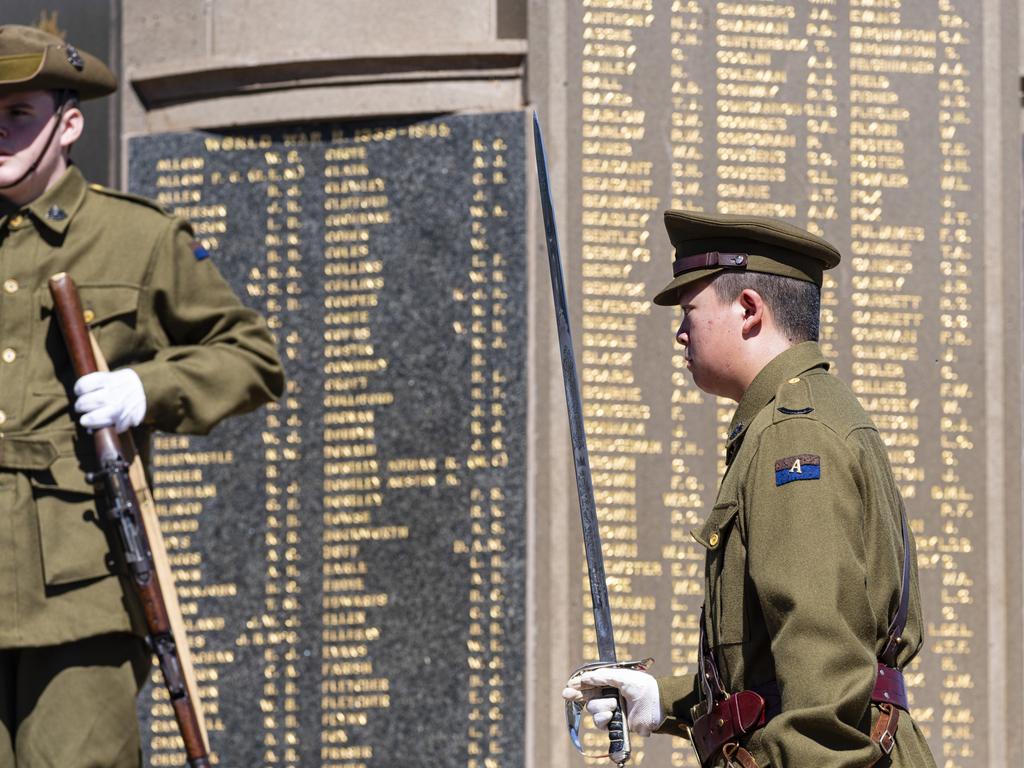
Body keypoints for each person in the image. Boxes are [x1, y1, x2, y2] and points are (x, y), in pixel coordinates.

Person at [0, 24, 284, 767]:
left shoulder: (137, 237)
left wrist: (142, 387)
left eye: (17, 113)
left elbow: (252, 357)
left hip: (76, 584)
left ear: (68, 124)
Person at [563, 210, 937, 767]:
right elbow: (773, 676)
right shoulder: (793, 417)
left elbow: (822, 661)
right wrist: (661, 700)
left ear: (747, 310)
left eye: (691, 309)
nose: (680, 331)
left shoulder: (793, 435)